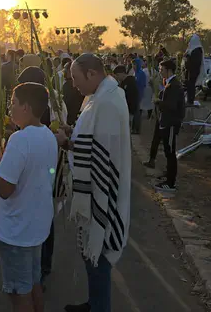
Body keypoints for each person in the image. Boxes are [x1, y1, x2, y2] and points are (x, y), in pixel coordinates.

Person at [58, 54, 131, 312]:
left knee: (98, 254)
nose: (74, 84)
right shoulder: (98, 97)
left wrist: (66, 143)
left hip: (102, 193)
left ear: (92, 74)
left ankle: (100, 307)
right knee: (91, 253)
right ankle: (94, 302)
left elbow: (101, 156)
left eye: (76, 78)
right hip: (94, 191)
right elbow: (90, 138)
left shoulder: (107, 102)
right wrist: (71, 132)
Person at [0, 82, 56, 312]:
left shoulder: (20, 140)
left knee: (19, 293)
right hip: (35, 228)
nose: (10, 108)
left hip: (17, 231)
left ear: (26, 107)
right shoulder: (47, 135)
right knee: (33, 284)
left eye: (13, 103)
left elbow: (5, 189)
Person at [147, 59, 185, 193]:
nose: (160, 71)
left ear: (169, 70)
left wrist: (158, 102)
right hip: (167, 122)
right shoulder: (169, 84)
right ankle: (168, 175)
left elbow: (172, 106)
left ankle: (170, 183)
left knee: (170, 153)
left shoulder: (173, 86)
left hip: (171, 123)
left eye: (161, 69)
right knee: (168, 152)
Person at [113, 65, 139, 135]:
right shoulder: (123, 82)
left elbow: (132, 97)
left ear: (122, 73)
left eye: (118, 75)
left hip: (129, 110)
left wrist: (131, 110)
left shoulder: (130, 82)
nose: (117, 77)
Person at [184, 34, 204, 104]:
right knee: (190, 86)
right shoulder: (195, 49)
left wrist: (187, 58)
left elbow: (194, 63)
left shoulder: (197, 50)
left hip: (193, 71)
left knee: (191, 86)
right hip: (191, 71)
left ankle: (190, 100)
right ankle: (189, 99)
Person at [131, 58, 147, 133]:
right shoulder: (135, 73)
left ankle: (137, 129)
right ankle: (134, 128)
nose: (133, 66)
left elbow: (142, 85)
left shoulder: (141, 73)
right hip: (134, 94)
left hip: (138, 94)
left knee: (137, 113)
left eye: (134, 64)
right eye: (132, 65)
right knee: (135, 112)